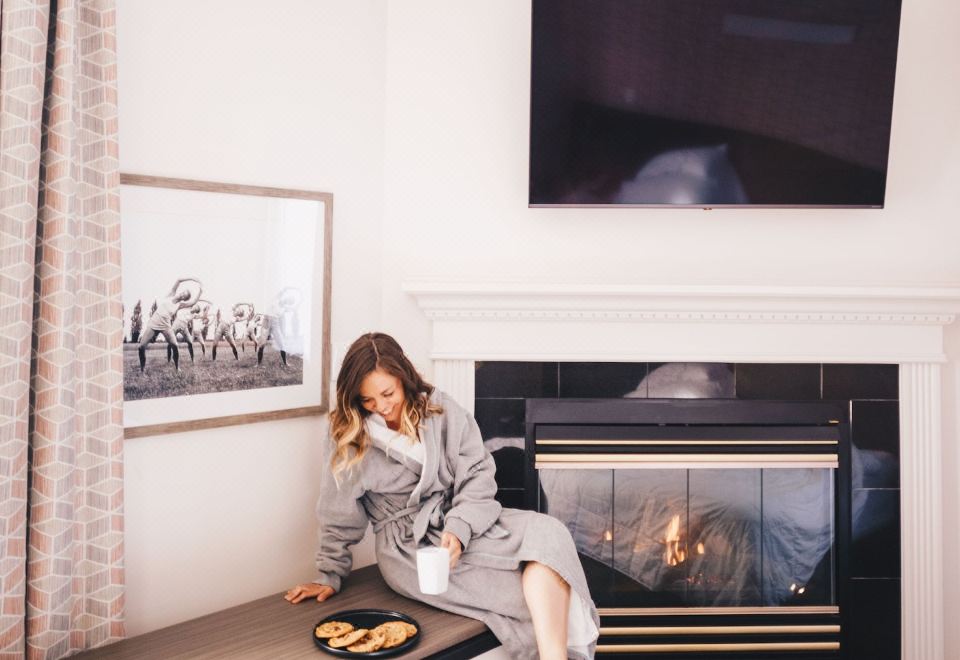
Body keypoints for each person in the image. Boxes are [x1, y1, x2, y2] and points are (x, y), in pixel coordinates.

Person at [284, 333, 599, 659]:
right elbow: (337, 511)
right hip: (409, 547)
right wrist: (329, 573)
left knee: (549, 534)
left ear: (403, 377)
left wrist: (459, 527)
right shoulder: (349, 433)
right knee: (526, 592)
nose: (382, 406)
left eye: (388, 393)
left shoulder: (440, 410)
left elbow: (477, 473)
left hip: (464, 518)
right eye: (368, 400)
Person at [137, 278, 202, 373]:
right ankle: (142, 369)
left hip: (166, 326)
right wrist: (193, 279)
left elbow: (193, 302)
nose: (182, 294)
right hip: (154, 322)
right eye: (183, 292)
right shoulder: (171, 294)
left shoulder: (180, 305)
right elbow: (179, 280)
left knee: (175, 346)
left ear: (184, 299)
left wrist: (200, 292)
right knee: (141, 347)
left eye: (184, 295)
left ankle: (177, 367)